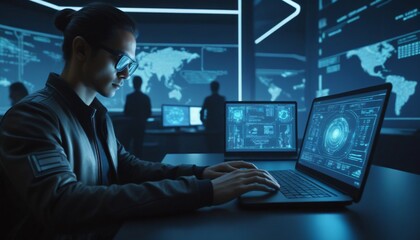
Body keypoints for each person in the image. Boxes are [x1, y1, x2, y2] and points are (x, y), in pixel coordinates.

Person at [0, 3, 279, 239]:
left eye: (131, 66)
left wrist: (201, 174)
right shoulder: (32, 117)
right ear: (82, 50)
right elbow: (64, 203)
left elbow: (128, 167)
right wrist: (203, 192)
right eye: (122, 61)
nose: (125, 74)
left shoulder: (96, 114)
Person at [123, 75, 151, 157]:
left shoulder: (129, 97)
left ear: (133, 83)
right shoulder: (146, 97)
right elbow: (149, 113)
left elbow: (126, 112)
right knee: (138, 147)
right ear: (141, 83)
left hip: (130, 125)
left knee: (127, 146)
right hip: (141, 125)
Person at [200, 80, 226, 152]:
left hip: (210, 128)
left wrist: (204, 122)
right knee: (219, 149)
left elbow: (202, 112)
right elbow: (225, 113)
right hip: (220, 128)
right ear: (218, 88)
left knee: (210, 148)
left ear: (211, 88)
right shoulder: (222, 99)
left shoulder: (208, 99)